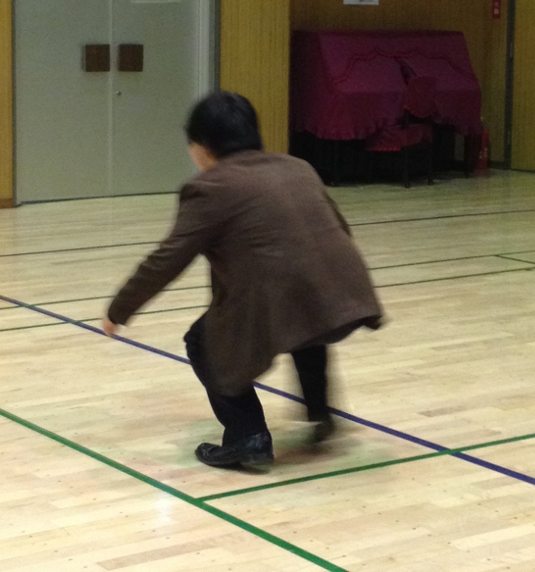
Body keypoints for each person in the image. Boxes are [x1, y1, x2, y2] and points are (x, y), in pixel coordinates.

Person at [104, 91, 383, 469]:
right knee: (304, 316)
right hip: (339, 297)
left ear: (203, 147)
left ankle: (246, 434)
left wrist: (119, 310)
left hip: (289, 300)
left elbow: (166, 260)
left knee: (202, 341)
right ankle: (320, 413)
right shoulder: (298, 167)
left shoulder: (211, 187)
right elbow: (338, 228)